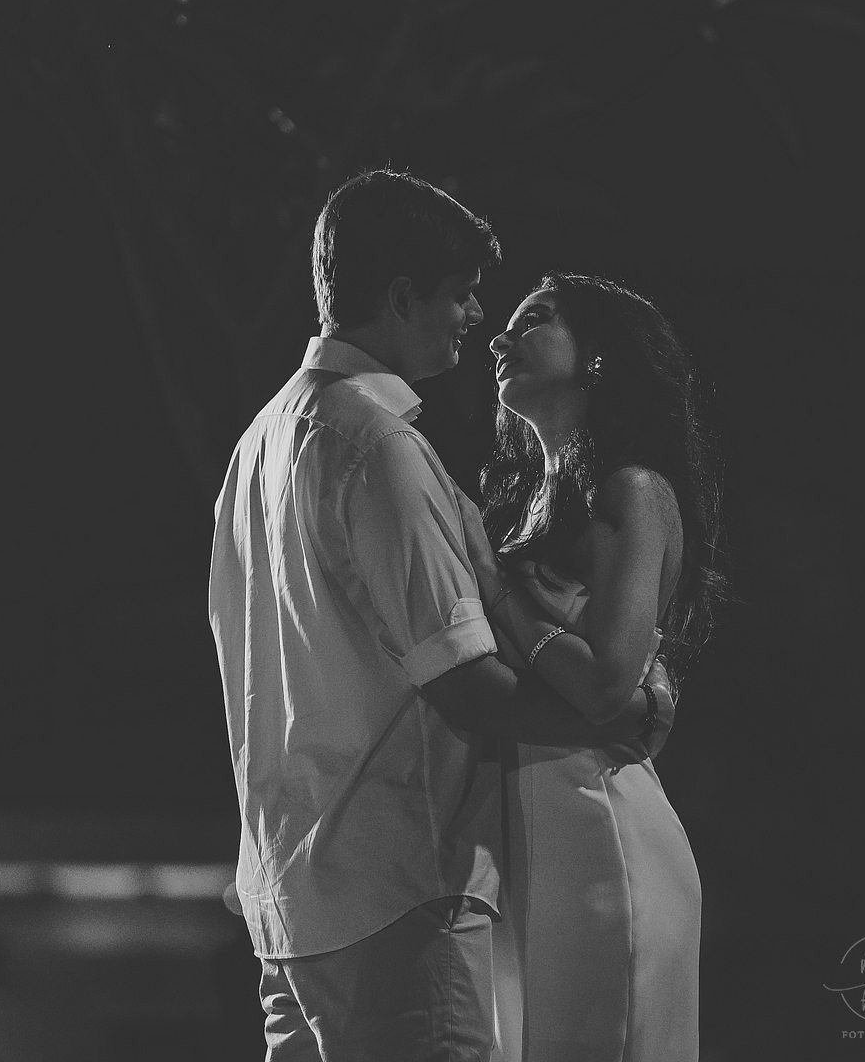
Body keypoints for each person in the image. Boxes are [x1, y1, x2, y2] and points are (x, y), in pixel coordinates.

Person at [208, 172, 676, 1062]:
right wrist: (617, 719)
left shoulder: (257, 447)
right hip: (398, 881)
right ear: (400, 297)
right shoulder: (380, 444)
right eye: (461, 294)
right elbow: (467, 687)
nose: (478, 319)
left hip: (290, 891)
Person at [472, 270, 723, 1062]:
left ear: (598, 356)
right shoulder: (525, 505)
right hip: (528, 829)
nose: (500, 338)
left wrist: (496, 585)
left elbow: (609, 684)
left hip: (597, 826)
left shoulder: (633, 489)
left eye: (536, 319)